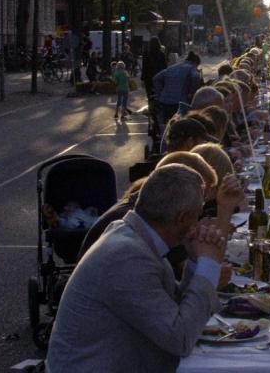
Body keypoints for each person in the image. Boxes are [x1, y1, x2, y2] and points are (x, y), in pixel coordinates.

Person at [46, 164, 226, 373]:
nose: (198, 223)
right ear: (183, 218)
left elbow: (174, 309)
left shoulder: (133, 237)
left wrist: (195, 260)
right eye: (198, 215)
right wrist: (208, 264)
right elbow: (181, 338)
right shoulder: (127, 257)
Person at [153, 51, 202, 124]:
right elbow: (195, 77)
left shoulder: (172, 67)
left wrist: (160, 93)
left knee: (167, 124)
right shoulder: (191, 68)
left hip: (165, 101)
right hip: (180, 103)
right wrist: (192, 93)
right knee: (180, 124)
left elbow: (156, 78)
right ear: (195, 62)